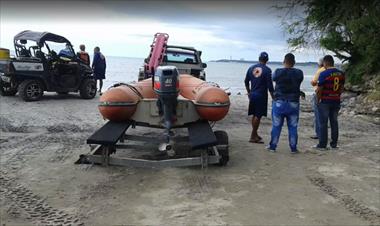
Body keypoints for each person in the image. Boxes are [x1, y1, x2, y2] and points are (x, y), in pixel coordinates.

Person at [268, 53, 304, 153]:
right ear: (294, 62)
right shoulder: (299, 73)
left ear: (284, 61)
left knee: (276, 125)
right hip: (293, 102)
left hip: (279, 101)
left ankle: (273, 146)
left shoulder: (278, 72)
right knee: (293, 126)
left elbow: (273, 79)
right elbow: (299, 81)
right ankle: (293, 148)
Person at [314, 55, 345, 150]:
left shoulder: (324, 73)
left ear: (326, 63)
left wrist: (318, 100)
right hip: (336, 100)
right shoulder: (341, 73)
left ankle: (322, 145)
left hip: (325, 100)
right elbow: (341, 88)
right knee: (334, 122)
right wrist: (337, 95)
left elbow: (320, 89)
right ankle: (334, 144)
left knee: (323, 123)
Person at [244, 52, 274, 143]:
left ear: (258, 58)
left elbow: (246, 81)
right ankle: (253, 136)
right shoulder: (267, 70)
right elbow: (270, 86)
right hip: (261, 95)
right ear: (267, 60)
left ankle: (255, 134)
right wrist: (274, 98)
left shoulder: (251, 68)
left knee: (254, 114)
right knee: (258, 115)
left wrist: (249, 92)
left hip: (253, 94)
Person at [310, 58, 325, 139]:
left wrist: (312, 82)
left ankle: (318, 134)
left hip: (318, 93)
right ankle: (322, 133)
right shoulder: (328, 71)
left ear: (320, 64)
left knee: (317, 114)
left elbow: (314, 82)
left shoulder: (320, 71)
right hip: (326, 94)